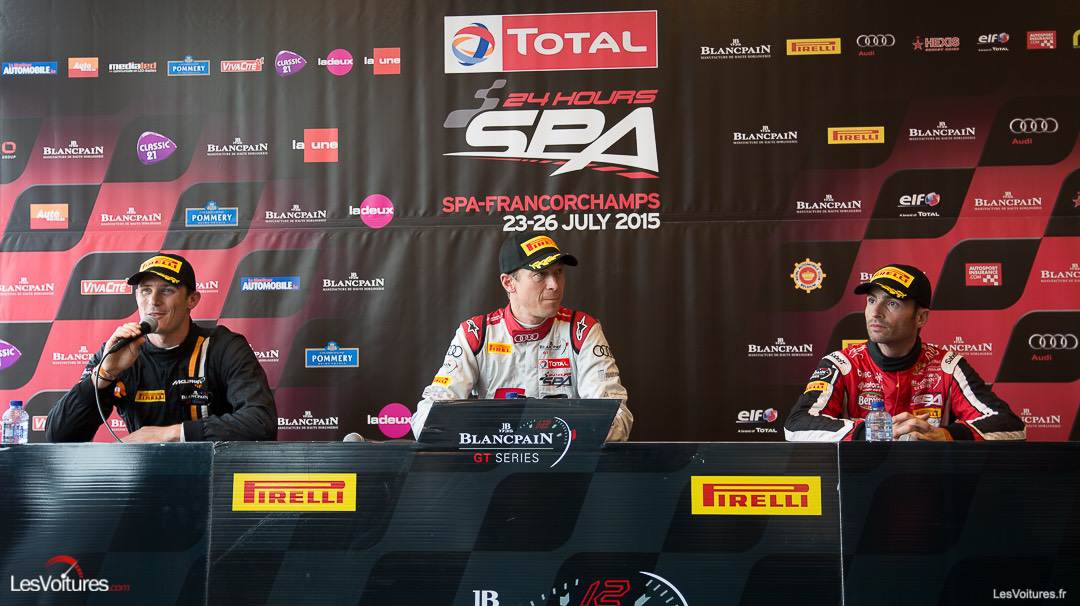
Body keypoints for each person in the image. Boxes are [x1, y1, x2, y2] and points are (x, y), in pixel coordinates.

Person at [412, 232, 633, 441]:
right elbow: (426, 419)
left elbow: (617, 419)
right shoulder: (476, 333)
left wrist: (545, 437)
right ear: (509, 283)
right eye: (540, 274)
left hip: (565, 461)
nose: (554, 285)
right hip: (494, 463)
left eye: (558, 272)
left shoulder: (582, 330)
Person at [45, 253, 277, 442]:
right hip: (143, 476)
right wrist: (105, 375)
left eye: (167, 290)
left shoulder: (223, 346)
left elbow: (261, 422)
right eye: (146, 290)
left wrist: (167, 434)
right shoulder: (117, 351)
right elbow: (59, 436)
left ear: (192, 299)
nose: (153, 301)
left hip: (213, 475)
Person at [785, 264, 1025, 441]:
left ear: (921, 317)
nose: (875, 312)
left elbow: (1012, 425)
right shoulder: (841, 364)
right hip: (860, 483)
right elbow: (796, 426)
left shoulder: (947, 366)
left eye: (892, 303)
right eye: (871, 300)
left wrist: (947, 435)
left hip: (931, 484)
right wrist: (870, 431)